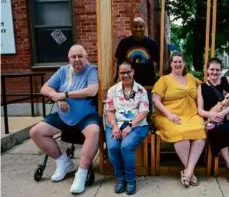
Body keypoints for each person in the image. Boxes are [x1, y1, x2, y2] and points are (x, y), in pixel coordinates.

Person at [29, 44, 100, 194]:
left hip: (85, 116)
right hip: (63, 116)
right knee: (36, 132)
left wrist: (66, 95)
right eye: (73, 57)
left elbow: (92, 90)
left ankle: (81, 173)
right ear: (69, 59)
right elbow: (44, 88)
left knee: (94, 132)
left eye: (80, 56)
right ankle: (63, 162)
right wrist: (56, 97)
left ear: (86, 57)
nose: (77, 59)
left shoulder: (91, 70)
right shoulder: (63, 70)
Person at [152, 52, 206, 187]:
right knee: (181, 134)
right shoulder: (164, 79)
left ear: (184, 63)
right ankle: (191, 173)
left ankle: (188, 171)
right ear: (170, 64)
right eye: (175, 62)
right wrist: (169, 114)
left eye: (180, 61)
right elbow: (155, 99)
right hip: (168, 115)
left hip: (191, 115)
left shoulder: (191, 78)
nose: (177, 64)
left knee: (200, 132)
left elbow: (205, 87)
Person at [197, 58, 229, 185]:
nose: (215, 72)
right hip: (214, 120)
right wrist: (213, 115)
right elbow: (200, 111)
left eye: (217, 70)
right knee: (220, 130)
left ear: (221, 71)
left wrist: (222, 113)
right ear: (207, 70)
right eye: (212, 69)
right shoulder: (201, 87)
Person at [105, 61, 149, 195]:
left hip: (137, 125)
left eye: (128, 72)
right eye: (122, 72)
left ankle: (130, 180)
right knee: (112, 146)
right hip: (116, 124)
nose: (125, 75)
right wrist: (114, 127)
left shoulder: (141, 90)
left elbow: (143, 112)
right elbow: (109, 111)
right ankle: (120, 179)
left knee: (126, 146)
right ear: (118, 74)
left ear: (133, 72)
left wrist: (130, 126)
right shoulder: (112, 90)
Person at [114, 16, 159, 87]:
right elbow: (118, 62)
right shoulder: (124, 43)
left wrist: (158, 81)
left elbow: (158, 64)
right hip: (128, 84)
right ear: (131, 28)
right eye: (135, 27)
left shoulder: (152, 44)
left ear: (145, 27)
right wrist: (115, 79)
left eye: (141, 27)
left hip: (148, 85)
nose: (138, 29)